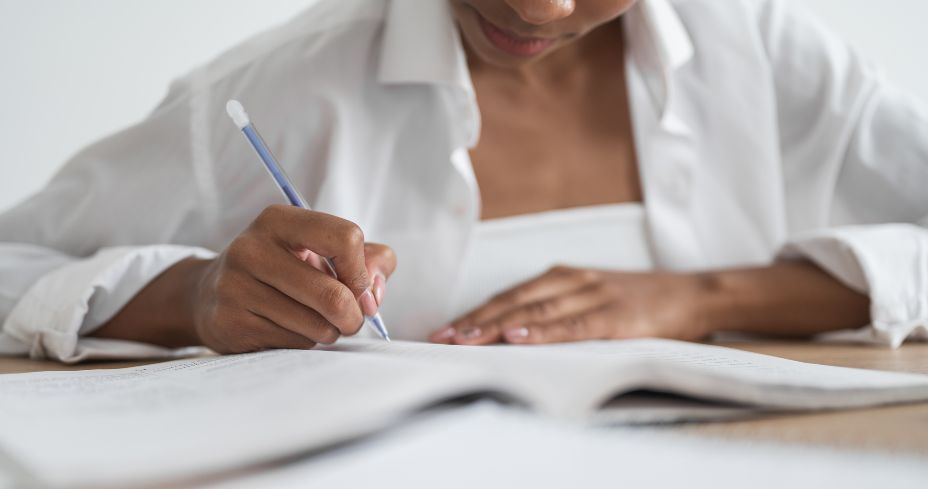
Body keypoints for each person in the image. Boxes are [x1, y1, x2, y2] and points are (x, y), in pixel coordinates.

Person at [0, 0, 925, 363]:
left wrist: (706, 297)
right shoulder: (276, 93)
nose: (538, 7)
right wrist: (193, 296)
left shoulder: (764, 56)